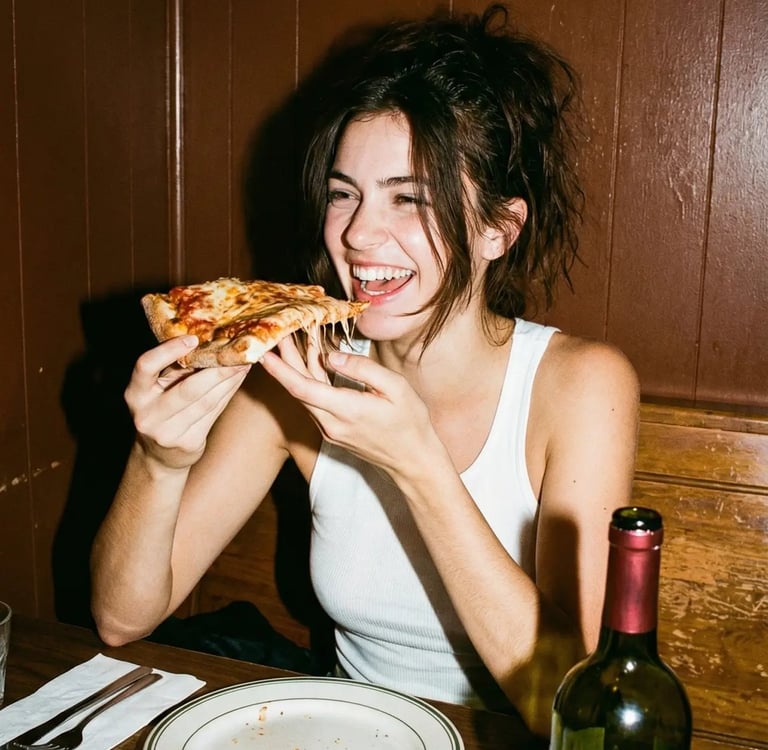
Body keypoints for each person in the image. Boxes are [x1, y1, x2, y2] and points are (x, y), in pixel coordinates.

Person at [90, 4, 639, 737]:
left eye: (409, 198)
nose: (355, 234)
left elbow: (580, 710)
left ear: (497, 230)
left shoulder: (582, 386)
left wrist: (420, 467)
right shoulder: (299, 372)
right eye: (344, 193)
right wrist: (159, 460)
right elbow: (122, 617)